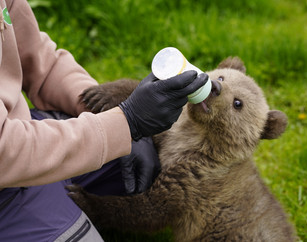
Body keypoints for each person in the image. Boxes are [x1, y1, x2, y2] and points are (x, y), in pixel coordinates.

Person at [0, 0, 208, 241]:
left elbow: (42, 63)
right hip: (7, 174)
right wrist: (124, 124)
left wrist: (111, 113)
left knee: (167, 162)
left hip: (20, 137)